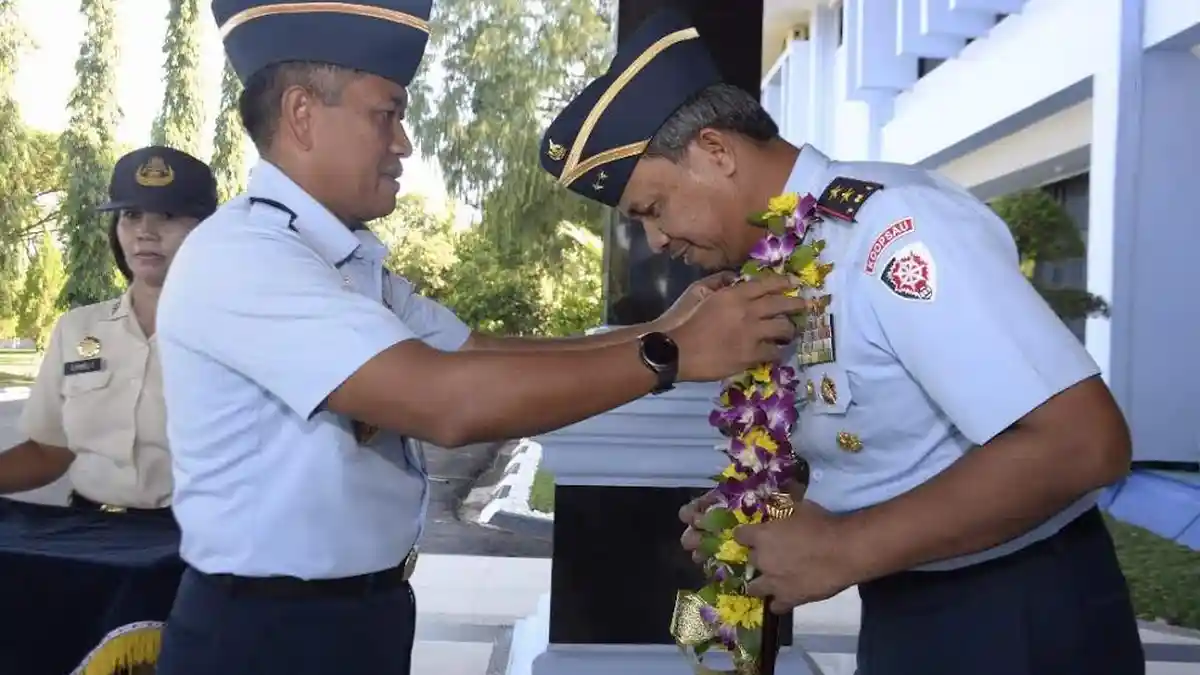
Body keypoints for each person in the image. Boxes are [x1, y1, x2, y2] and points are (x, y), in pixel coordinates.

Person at [152, 3, 806, 674]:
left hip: (351, 614)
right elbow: (447, 402)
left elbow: (471, 352)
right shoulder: (248, 258)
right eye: (387, 113)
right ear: (301, 114)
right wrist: (673, 355)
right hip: (268, 635)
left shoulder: (338, 258)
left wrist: (665, 329)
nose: (402, 142)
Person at [538, 9, 1143, 675]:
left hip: (1015, 612)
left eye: (653, 209)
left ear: (715, 150)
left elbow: (1086, 441)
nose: (655, 242)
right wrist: (774, 499)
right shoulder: (784, 257)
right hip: (906, 601)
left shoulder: (894, 230)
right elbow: (891, 440)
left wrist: (844, 545)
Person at [0, 145, 217, 515]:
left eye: (166, 215)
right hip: (88, 538)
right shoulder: (77, 329)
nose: (145, 232)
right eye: (131, 215)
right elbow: (49, 452)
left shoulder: (238, 331)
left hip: (196, 543)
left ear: (206, 231)